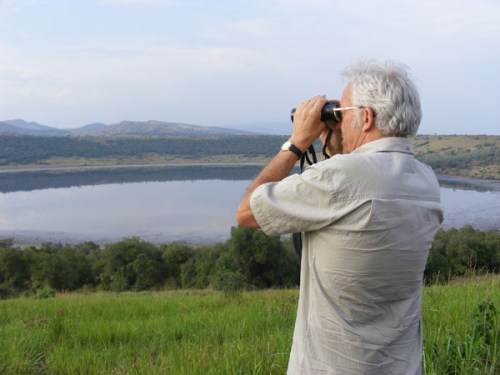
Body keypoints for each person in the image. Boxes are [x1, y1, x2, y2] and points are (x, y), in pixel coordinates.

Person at [236, 59, 444, 374]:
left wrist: (296, 144)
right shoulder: (426, 181)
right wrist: (339, 150)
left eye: (343, 113)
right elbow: (359, 195)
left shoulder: (338, 178)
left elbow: (247, 213)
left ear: (366, 117)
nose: (338, 121)